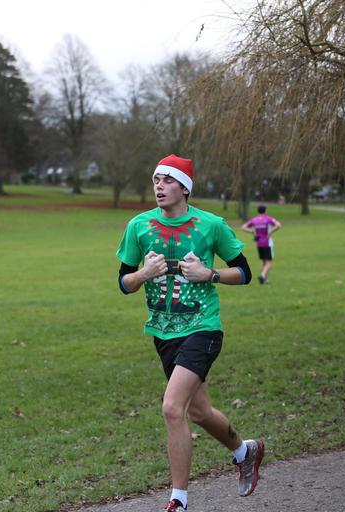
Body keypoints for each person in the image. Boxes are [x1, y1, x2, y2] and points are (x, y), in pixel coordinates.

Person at [116, 155, 265, 512]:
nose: (159, 186)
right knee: (199, 411)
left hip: (203, 327)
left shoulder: (211, 225)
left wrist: (209, 274)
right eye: (156, 180)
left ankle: (178, 501)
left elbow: (244, 272)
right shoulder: (138, 226)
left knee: (172, 408)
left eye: (168, 180)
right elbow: (124, 282)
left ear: (184, 188)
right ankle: (245, 451)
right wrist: (143, 274)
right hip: (163, 331)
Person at [241, 205, 281, 284]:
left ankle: (264, 279)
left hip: (259, 243)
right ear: (265, 211)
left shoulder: (254, 220)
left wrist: (252, 232)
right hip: (267, 242)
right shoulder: (268, 219)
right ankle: (262, 275)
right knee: (269, 262)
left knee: (264, 261)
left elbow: (243, 227)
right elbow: (278, 225)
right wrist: (270, 232)